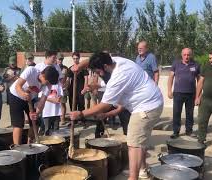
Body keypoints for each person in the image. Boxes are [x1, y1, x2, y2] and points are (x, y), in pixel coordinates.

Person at [70, 52, 164, 180]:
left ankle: (133, 177)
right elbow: (94, 58)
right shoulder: (115, 61)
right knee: (140, 141)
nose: (99, 75)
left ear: (105, 66)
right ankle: (142, 170)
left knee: (133, 144)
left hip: (146, 107)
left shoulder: (119, 76)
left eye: (98, 72)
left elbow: (105, 105)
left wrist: (81, 114)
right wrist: (80, 66)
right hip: (153, 102)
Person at [9, 65, 59, 145]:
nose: (48, 84)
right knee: (19, 124)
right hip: (15, 95)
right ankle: (17, 148)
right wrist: (23, 94)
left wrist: (36, 113)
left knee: (35, 122)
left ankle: (30, 144)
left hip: (30, 98)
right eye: (48, 82)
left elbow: (42, 102)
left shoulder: (48, 85)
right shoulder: (31, 70)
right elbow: (17, 86)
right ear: (43, 75)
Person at [167, 48, 200, 139]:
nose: (186, 56)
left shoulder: (196, 65)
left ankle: (189, 131)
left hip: (191, 93)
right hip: (178, 93)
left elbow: (199, 80)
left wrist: (198, 95)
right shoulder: (176, 64)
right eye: (185, 55)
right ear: (182, 55)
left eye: (188, 55)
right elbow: (170, 78)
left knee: (190, 113)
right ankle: (175, 132)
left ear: (191, 55)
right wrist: (169, 90)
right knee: (176, 113)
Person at [67, 52, 89, 126]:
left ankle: (82, 120)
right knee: (72, 104)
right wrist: (66, 88)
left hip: (80, 89)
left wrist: (85, 88)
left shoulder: (83, 68)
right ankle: (74, 120)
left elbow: (86, 78)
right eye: (74, 58)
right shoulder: (70, 68)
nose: (75, 60)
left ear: (79, 58)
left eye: (77, 58)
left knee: (81, 105)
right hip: (72, 89)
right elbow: (68, 80)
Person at [56, 53, 69, 125]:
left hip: (63, 88)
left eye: (61, 59)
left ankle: (63, 119)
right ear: (56, 59)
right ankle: (56, 119)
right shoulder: (53, 67)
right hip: (55, 89)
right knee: (55, 104)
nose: (60, 61)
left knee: (62, 104)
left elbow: (67, 79)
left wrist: (65, 86)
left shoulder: (65, 68)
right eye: (59, 59)